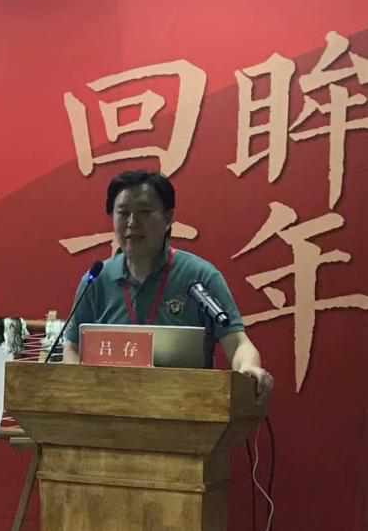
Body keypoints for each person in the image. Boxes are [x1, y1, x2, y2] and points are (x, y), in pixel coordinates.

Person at [61, 170, 273, 403]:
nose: (132, 222)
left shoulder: (199, 276)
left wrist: (248, 367)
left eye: (144, 212)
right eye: (123, 213)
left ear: (168, 217)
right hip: (109, 409)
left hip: (186, 407)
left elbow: (238, 343)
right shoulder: (96, 279)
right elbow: (72, 347)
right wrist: (82, 391)